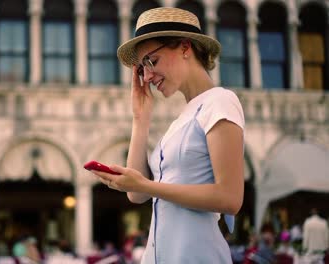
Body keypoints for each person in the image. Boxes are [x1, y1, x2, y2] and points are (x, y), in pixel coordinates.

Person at [88, 7, 245, 263]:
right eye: (142, 69)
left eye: (151, 61)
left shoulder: (220, 101)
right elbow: (136, 195)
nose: (147, 76)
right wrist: (140, 119)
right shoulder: (181, 120)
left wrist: (147, 186)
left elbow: (229, 198)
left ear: (185, 47)